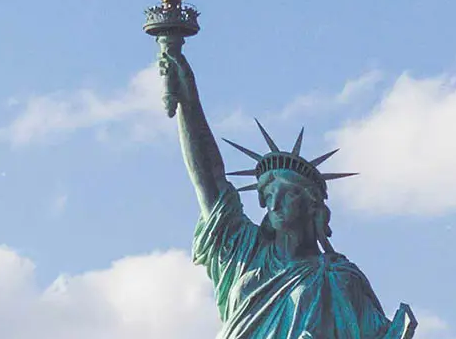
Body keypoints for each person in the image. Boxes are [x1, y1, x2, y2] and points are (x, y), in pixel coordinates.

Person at [160, 46, 416, 339]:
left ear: (313, 207)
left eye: (287, 194)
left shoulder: (340, 280)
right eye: (268, 196)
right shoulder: (246, 251)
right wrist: (188, 102)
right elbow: (209, 178)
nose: (275, 204)